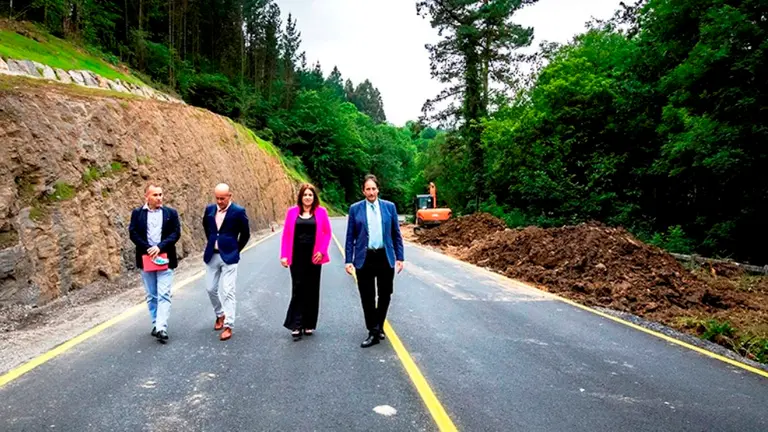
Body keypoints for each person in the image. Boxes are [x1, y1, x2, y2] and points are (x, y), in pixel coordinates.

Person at [345, 174, 404, 348]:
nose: (371, 192)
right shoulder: (355, 209)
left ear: (378, 189)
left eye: (373, 188)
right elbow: (350, 237)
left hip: (385, 256)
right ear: (363, 191)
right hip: (365, 257)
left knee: (385, 294)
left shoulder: (389, 207)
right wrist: (349, 260)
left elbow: (396, 234)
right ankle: (373, 330)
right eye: (368, 189)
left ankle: (378, 325)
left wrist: (400, 257)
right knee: (367, 296)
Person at [128, 183, 181, 343]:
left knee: (164, 294)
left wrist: (159, 247)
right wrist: (148, 248)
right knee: (152, 295)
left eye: (160, 194)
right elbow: (133, 233)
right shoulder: (137, 214)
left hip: (165, 258)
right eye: (155, 195)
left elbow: (176, 233)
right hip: (146, 259)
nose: (159, 198)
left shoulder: (171, 213)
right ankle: (155, 322)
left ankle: (161, 327)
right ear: (147, 197)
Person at [279, 184, 333, 340]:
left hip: (314, 256)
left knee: (312, 289)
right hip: (296, 256)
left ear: (314, 197)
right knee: (298, 288)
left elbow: (327, 233)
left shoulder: (321, 212)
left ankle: (309, 323)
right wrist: (284, 255)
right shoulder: (292, 213)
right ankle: (296, 324)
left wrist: (321, 251)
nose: (307, 197)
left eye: (310, 195)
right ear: (300, 197)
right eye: (305, 195)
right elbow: (286, 235)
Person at [202, 183, 250, 341]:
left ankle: (229, 325)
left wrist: (236, 250)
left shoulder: (238, 211)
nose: (220, 201)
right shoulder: (209, 210)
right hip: (212, 255)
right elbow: (207, 227)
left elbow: (245, 234)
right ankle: (220, 314)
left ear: (230, 196)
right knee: (210, 288)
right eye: (217, 198)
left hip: (229, 256)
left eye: (222, 198)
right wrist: (211, 242)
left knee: (228, 291)